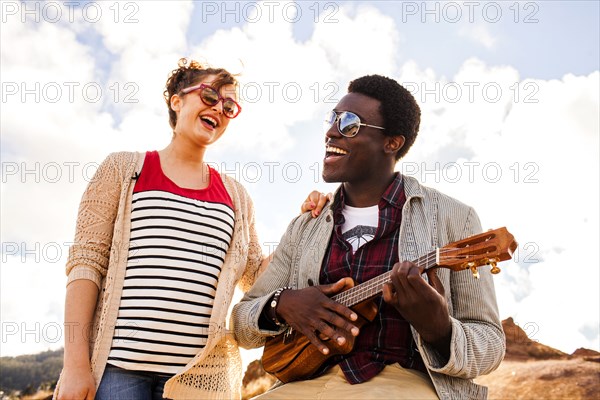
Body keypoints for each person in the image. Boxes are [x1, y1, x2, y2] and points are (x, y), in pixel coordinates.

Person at [55, 58, 328, 400]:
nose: (220, 109)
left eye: (229, 106)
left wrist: (304, 226)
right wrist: (76, 365)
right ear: (177, 100)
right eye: (210, 96)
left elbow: (256, 276)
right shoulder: (123, 169)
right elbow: (86, 264)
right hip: (118, 372)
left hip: (199, 379)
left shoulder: (236, 197)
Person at [232, 75, 505, 399]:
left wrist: (440, 330)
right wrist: (281, 304)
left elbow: (490, 342)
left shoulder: (453, 217)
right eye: (331, 119)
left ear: (392, 143)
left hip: (406, 385)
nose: (331, 131)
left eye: (349, 123)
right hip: (301, 387)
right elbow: (241, 323)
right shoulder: (307, 225)